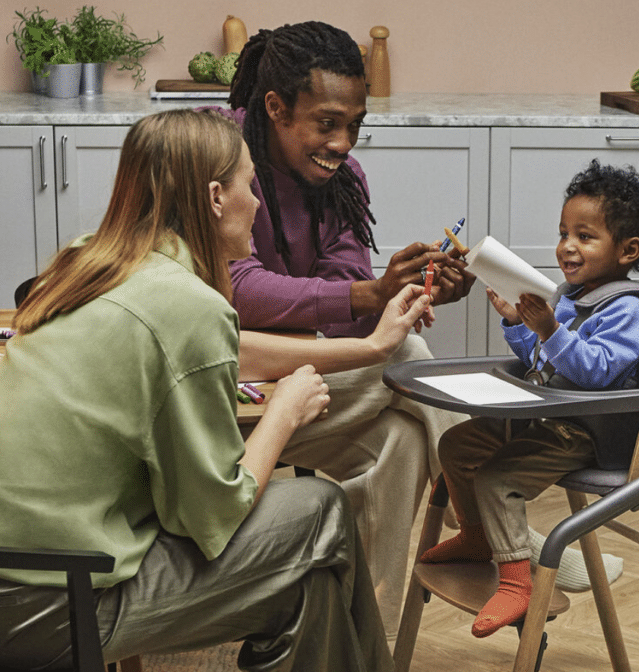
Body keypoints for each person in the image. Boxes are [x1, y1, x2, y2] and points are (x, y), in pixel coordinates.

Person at [0, 109, 432, 671]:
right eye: (249, 185)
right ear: (216, 197)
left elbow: (230, 347)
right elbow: (212, 514)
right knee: (319, 510)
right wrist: (281, 416)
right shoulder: (189, 307)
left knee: (306, 586)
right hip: (44, 610)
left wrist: (372, 347)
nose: (257, 204)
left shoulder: (90, 260)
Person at [212, 20, 475, 636]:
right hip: (217, 384)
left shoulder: (340, 180)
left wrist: (398, 291)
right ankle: (495, 514)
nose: (344, 142)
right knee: (403, 349)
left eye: (355, 124)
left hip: (297, 384)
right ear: (274, 106)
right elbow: (240, 291)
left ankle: (362, 640)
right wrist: (368, 298)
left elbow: (345, 280)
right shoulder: (221, 157)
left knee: (402, 441)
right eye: (327, 122)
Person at [419, 159, 639, 638]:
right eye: (563, 233)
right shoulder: (572, 296)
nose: (567, 247)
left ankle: (517, 584)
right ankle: (475, 538)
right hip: (545, 415)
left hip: (586, 431)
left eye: (584, 236)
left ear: (628, 250)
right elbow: (545, 361)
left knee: (497, 480)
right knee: (456, 446)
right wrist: (520, 323)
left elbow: (594, 372)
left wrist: (551, 327)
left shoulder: (629, 311)